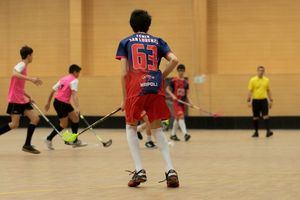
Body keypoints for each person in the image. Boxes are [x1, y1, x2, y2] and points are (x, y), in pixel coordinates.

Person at [116, 9, 179, 188]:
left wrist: (124, 98)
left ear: (132, 25)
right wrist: (161, 76)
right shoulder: (158, 41)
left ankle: (139, 170)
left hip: (136, 88)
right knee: (157, 128)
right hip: (154, 87)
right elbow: (174, 60)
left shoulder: (125, 42)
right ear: (148, 25)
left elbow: (123, 73)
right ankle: (170, 170)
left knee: (131, 126)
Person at [0, 45, 42, 154]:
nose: (33, 57)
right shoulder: (22, 64)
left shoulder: (24, 66)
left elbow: (18, 87)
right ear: (28, 55)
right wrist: (31, 79)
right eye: (32, 55)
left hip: (22, 98)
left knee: (35, 118)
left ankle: (27, 145)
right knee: (14, 124)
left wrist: (28, 96)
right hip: (15, 99)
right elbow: (14, 73)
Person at [44, 64, 87, 149]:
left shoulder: (63, 79)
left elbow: (52, 91)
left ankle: (75, 141)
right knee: (63, 124)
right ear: (74, 72)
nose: (79, 75)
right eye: (78, 73)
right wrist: (77, 107)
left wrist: (48, 103)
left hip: (60, 102)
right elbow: (74, 95)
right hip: (61, 103)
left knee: (75, 119)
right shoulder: (74, 80)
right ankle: (48, 139)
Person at [166, 64, 192, 142]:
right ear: (177, 71)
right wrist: (173, 96)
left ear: (184, 71)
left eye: (182, 70)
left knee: (177, 119)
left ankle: (173, 135)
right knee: (181, 116)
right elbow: (167, 89)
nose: (181, 72)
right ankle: (185, 134)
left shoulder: (186, 82)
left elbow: (187, 94)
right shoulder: (174, 80)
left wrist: (190, 103)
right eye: (179, 70)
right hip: (176, 102)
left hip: (182, 103)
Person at [247, 66, 274, 138]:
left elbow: (268, 90)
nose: (261, 72)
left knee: (266, 116)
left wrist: (271, 100)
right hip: (255, 100)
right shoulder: (252, 80)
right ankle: (256, 132)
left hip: (264, 100)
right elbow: (250, 91)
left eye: (262, 71)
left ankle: (268, 131)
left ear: (264, 72)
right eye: (259, 70)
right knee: (255, 117)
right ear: (257, 71)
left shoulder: (266, 80)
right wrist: (248, 101)